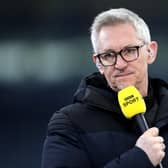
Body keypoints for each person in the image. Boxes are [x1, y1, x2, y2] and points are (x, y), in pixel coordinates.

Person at [41, 8, 168, 168]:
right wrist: (139, 159)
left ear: (150, 52)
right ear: (98, 63)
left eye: (129, 51)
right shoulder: (70, 124)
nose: (120, 64)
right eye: (108, 55)